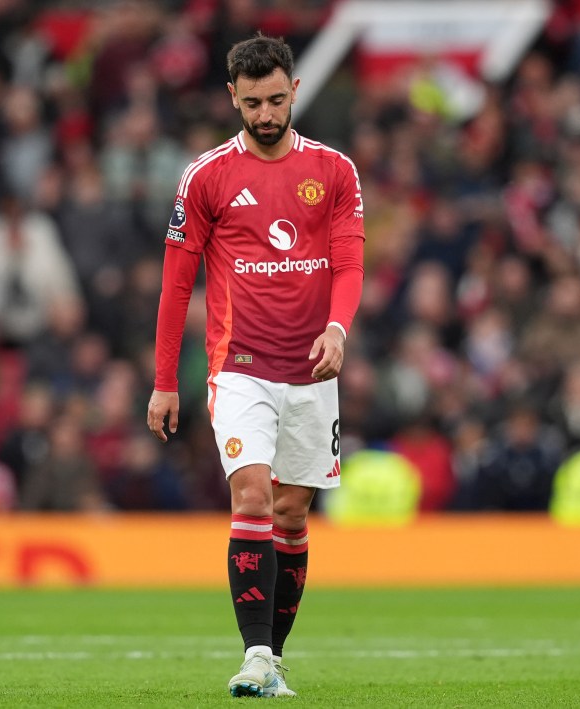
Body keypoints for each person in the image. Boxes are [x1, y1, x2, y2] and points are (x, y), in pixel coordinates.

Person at [146, 34, 365, 699]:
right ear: (231, 98)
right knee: (252, 495)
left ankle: (273, 657)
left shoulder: (334, 171)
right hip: (238, 366)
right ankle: (256, 652)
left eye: (275, 100)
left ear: (295, 91)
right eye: (252, 103)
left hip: (312, 370)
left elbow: (349, 263)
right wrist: (162, 381)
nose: (266, 115)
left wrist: (337, 326)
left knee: (293, 514)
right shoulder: (206, 177)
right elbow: (175, 287)